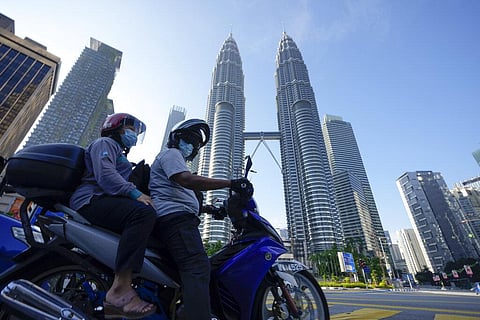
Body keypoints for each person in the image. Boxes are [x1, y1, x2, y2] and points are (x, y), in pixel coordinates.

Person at [149, 119, 252, 320]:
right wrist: (231, 183)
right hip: (176, 220)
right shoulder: (171, 154)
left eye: (195, 144)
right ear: (176, 138)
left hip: (180, 219)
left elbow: (178, 193)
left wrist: (209, 209)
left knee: (184, 272)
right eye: (188, 139)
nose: (191, 146)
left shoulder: (175, 161)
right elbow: (187, 181)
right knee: (197, 267)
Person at [69, 113, 157, 319]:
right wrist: (136, 194)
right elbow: (106, 175)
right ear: (117, 127)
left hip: (104, 200)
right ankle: (120, 289)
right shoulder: (105, 143)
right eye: (132, 129)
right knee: (142, 214)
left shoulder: (119, 153)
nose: (134, 134)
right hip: (90, 199)